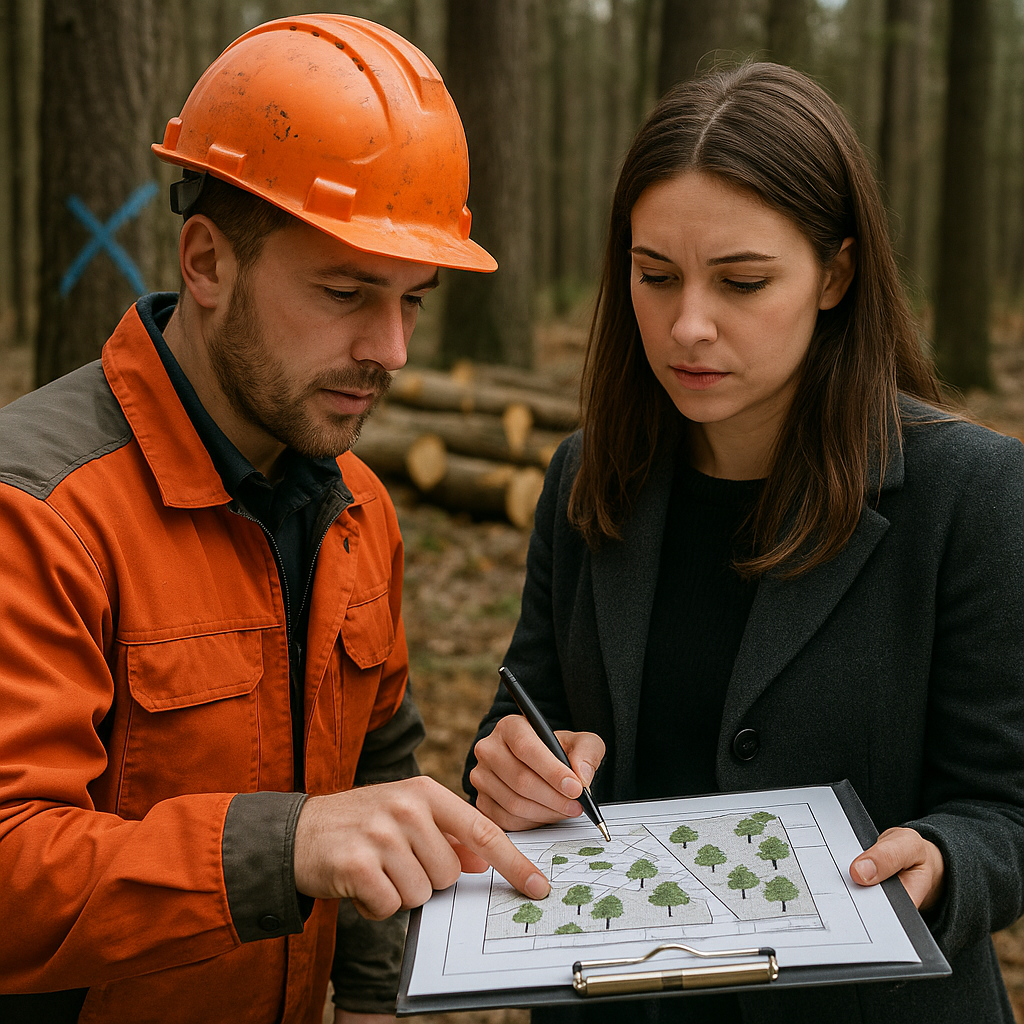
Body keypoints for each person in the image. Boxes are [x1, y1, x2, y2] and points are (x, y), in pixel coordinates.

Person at [0, 15, 550, 1024]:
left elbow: (377, 769)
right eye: (345, 292)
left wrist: (377, 1001)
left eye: (412, 301)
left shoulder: (359, 511)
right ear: (206, 263)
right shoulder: (39, 512)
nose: (389, 350)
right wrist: (285, 842)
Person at [465, 62, 1024, 1024]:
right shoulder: (587, 478)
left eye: (743, 281)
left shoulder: (971, 495)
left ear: (836, 274)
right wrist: (514, 768)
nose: (689, 324)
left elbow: (1004, 811)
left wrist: (941, 860)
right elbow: (529, 714)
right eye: (654, 276)